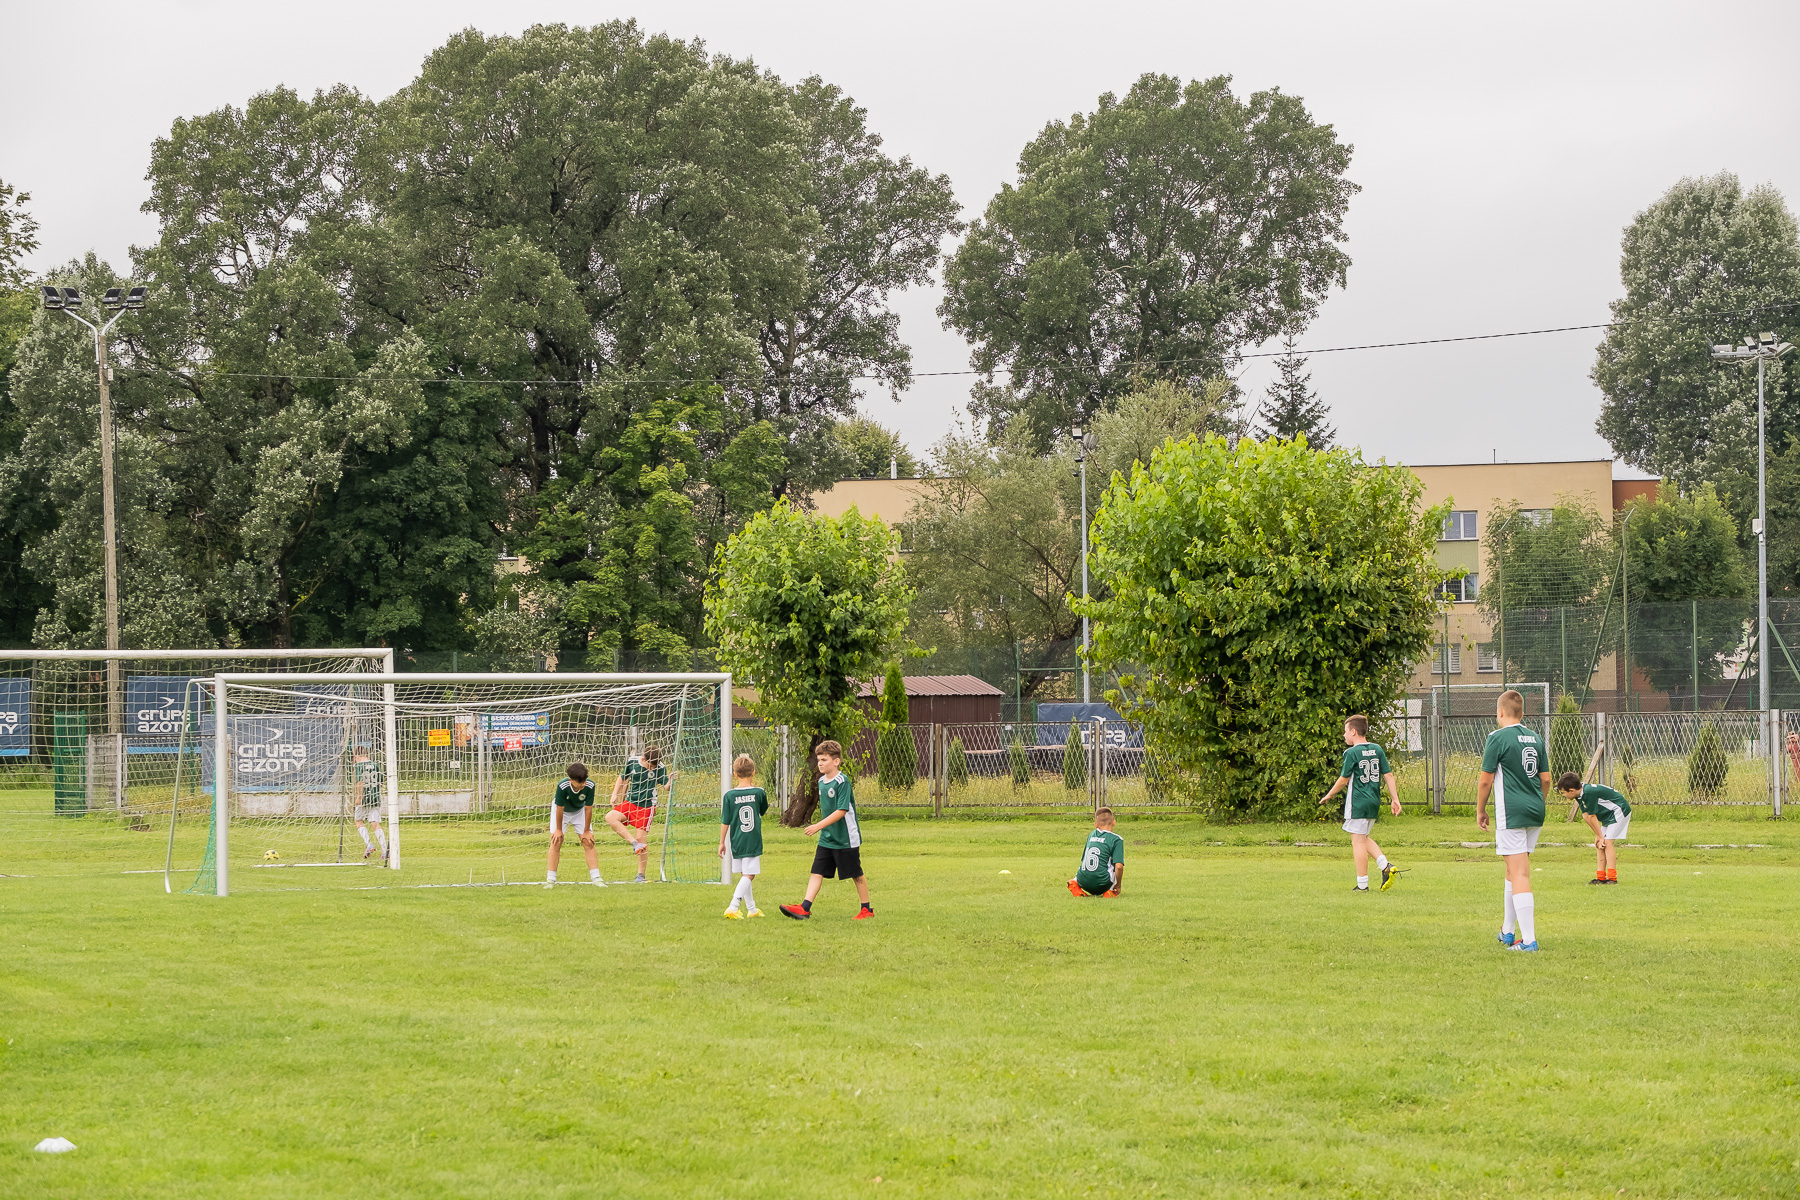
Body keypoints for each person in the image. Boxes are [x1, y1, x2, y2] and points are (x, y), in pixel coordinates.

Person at [1477, 690, 1551, 951]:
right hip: (1535, 811)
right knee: (1513, 870)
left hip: (1512, 812)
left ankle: (1529, 940)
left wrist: (1480, 810)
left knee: (1519, 873)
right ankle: (1508, 931)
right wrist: (1536, 801)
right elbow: (1546, 780)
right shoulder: (1535, 737)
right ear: (1523, 713)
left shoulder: (1497, 738)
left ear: (1499, 712)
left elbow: (1486, 779)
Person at [779, 741, 872, 921]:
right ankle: (804, 908)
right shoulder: (821, 781)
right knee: (817, 871)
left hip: (845, 838)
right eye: (818, 759)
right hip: (827, 837)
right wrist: (823, 829)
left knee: (856, 874)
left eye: (824, 759)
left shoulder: (842, 781)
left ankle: (866, 909)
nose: (820, 763)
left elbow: (841, 810)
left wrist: (817, 826)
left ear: (836, 762)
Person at [1318, 715, 1403, 891]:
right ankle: (1386, 866)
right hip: (1373, 801)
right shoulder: (1377, 749)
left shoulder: (1351, 753)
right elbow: (1389, 775)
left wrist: (1329, 794)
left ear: (1354, 732)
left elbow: (1344, 779)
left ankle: (1362, 885)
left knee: (1357, 842)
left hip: (1357, 802)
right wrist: (1395, 799)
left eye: (1345, 731)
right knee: (1362, 838)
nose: (1344, 735)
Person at [605, 746, 669, 883]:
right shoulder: (632, 762)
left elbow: (666, 787)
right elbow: (622, 778)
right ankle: (634, 843)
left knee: (642, 841)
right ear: (643, 758)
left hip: (647, 806)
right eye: (649, 765)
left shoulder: (660, 767)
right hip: (630, 802)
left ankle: (641, 875)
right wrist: (615, 794)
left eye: (654, 767)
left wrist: (671, 780)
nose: (651, 769)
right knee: (610, 817)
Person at [718, 754, 768, 919]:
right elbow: (762, 811)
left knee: (745, 874)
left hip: (736, 840)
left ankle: (752, 910)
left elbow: (725, 821)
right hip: (752, 839)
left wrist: (721, 843)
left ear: (735, 774)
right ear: (753, 772)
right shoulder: (759, 792)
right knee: (749, 875)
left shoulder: (729, 796)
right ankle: (733, 906)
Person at [1558, 771, 1630, 885]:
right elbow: (1586, 816)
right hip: (1608, 815)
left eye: (1563, 792)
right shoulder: (1579, 794)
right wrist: (1597, 836)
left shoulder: (1588, 792)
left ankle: (1612, 878)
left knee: (1607, 843)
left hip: (1619, 810)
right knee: (1600, 844)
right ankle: (1600, 877)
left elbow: (1592, 816)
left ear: (1571, 790)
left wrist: (1601, 836)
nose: (1564, 795)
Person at [546, 762, 603, 887]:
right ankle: (550, 879)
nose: (583, 784)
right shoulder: (562, 786)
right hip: (562, 812)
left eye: (584, 781)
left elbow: (588, 808)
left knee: (588, 841)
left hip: (579, 811)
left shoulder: (590, 785)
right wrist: (558, 830)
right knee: (556, 840)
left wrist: (587, 830)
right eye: (580, 782)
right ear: (571, 780)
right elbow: (559, 808)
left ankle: (596, 878)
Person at [1067, 807, 1124, 897]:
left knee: (1085, 862)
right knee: (1115, 864)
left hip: (1083, 881)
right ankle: (1110, 890)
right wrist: (1119, 885)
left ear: (1095, 824)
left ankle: (1075, 882)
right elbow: (1119, 866)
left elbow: (1083, 859)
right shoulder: (1116, 839)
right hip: (1102, 884)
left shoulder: (1091, 835)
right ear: (1114, 822)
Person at [350, 745, 388, 864]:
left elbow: (360, 781)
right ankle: (385, 851)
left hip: (364, 798)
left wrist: (359, 797)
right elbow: (380, 781)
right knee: (375, 823)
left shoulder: (358, 765)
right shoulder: (376, 765)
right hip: (375, 797)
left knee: (358, 820)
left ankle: (369, 844)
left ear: (357, 756)